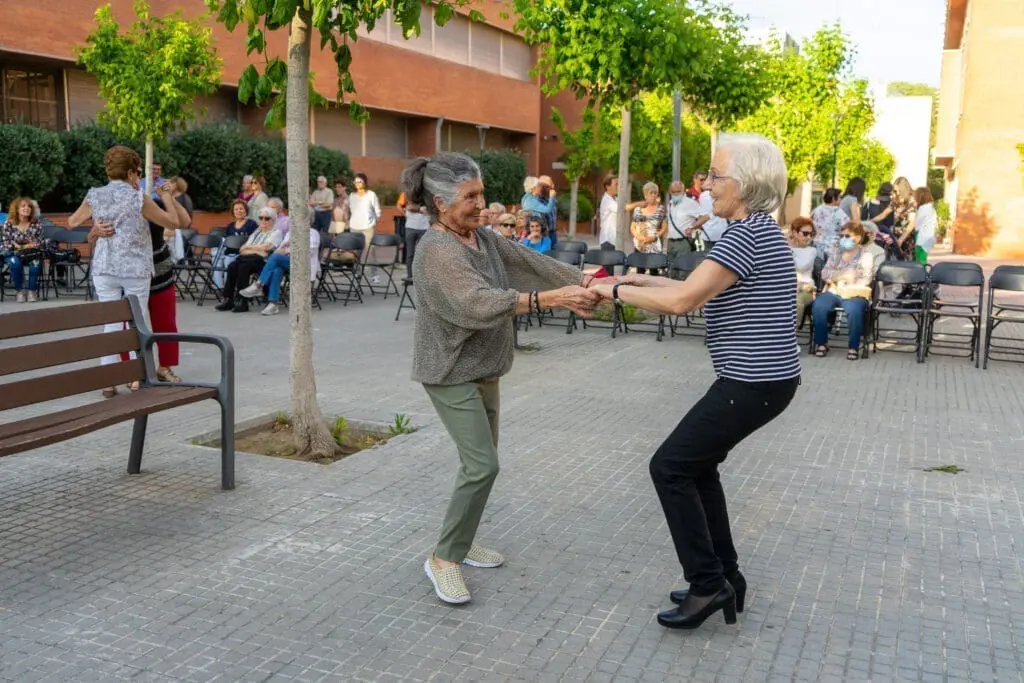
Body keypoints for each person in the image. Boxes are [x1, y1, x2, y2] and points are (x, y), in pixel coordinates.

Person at [591, 133, 800, 631]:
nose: (706, 185)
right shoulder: (752, 232)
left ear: (745, 184)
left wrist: (616, 289)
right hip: (761, 381)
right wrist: (636, 281)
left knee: (669, 468)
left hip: (753, 383)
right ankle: (725, 578)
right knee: (696, 467)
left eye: (716, 176)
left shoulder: (746, 236)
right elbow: (690, 287)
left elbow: (684, 302)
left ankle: (708, 584)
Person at [403, 152, 601, 605]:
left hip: (485, 368)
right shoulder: (436, 251)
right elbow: (478, 303)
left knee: (481, 464)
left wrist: (591, 281)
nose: (481, 203)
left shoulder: (482, 239)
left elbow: (531, 263)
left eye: (481, 193)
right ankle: (444, 559)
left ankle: (462, 538)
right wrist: (554, 299)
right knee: (482, 465)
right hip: (449, 371)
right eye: (470, 196)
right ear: (439, 202)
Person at [67, 145, 181, 398]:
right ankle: (134, 377)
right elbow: (172, 222)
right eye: (138, 172)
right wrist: (167, 200)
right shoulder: (138, 196)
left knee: (111, 323)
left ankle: (108, 380)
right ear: (130, 172)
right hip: (134, 267)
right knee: (135, 323)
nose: (138, 176)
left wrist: (96, 226)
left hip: (104, 267)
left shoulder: (94, 194)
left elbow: (73, 221)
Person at [110, 195, 192, 383]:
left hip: (159, 268)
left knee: (166, 321)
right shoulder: (115, 203)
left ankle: (165, 367)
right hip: (132, 270)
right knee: (129, 324)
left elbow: (185, 221)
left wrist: (169, 196)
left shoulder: (156, 201)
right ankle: (131, 371)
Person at [811, 222, 874, 360]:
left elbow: (866, 278)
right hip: (834, 290)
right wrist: (844, 275)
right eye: (841, 235)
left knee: (854, 309)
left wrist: (842, 277)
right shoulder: (836, 252)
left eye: (847, 236)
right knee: (819, 305)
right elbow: (825, 273)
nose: (843, 238)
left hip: (854, 293)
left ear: (858, 237)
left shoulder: (866, 255)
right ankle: (822, 343)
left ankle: (853, 346)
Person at [238, 226, 321, 316]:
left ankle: (259, 285)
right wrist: (284, 250)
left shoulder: (313, 233)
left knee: (276, 258)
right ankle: (273, 304)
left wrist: (288, 250)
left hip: (303, 265)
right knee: (276, 269)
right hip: (289, 263)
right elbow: (280, 249)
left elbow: (308, 251)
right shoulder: (291, 232)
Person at [216, 205, 283, 313]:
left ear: (273, 220)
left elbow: (267, 248)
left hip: (263, 262)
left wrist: (250, 248)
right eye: (261, 218)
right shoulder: (256, 232)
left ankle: (242, 302)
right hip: (247, 257)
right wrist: (256, 249)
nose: (263, 221)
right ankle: (228, 299)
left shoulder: (276, 232)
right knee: (232, 266)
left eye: (267, 218)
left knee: (243, 267)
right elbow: (242, 249)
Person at [1, 197, 44, 303]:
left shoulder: (36, 223)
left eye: (29, 206)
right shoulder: (9, 223)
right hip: (11, 252)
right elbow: (7, 243)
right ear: (16, 209)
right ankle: (19, 291)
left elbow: (37, 242)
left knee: (35, 263)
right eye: (23, 206)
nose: (27, 208)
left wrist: (19, 245)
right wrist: (23, 246)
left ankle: (31, 291)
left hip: (31, 253)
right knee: (14, 263)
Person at [214, 200, 258, 289]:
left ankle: (229, 287)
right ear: (233, 212)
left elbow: (255, 240)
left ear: (246, 210)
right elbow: (227, 241)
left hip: (242, 253)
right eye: (236, 209)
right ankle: (218, 286)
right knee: (216, 257)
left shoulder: (252, 224)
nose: (239, 211)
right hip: (229, 251)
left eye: (241, 209)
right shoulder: (230, 226)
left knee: (228, 260)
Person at [349, 172, 381, 283]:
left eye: (360, 181)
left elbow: (377, 211)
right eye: (356, 182)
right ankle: (357, 273)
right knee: (356, 252)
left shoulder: (371, 195)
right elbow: (351, 210)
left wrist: (373, 222)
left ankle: (374, 274)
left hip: (368, 227)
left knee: (370, 251)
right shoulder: (352, 196)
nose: (358, 184)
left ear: (365, 182)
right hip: (354, 227)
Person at [629, 182, 667, 274]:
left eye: (655, 193)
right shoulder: (637, 210)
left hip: (654, 245)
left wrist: (655, 236)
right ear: (645, 195)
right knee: (640, 272)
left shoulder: (661, 209)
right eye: (651, 193)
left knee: (654, 272)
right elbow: (633, 226)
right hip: (640, 245)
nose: (654, 195)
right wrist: (638, 237)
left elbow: (664, 226)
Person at [666, 180, 708, 261]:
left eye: (678, 191)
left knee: (683, 270)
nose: (675, 193)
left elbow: (705, 217)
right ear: (670, 192)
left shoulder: (690, 203)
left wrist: (692, 227)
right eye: (673, 191)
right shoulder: (670, 204)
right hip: (670, 243)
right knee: (671, 270)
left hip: (683, 242)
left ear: (683, 191)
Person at [788, 217, 817, 325]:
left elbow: (802, 266)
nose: (808, 237)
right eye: (805, 233)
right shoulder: (786, 248)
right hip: (787, 287)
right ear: (795, 232)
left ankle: (792, 334)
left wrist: (788, 250)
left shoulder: (811, 251)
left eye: (811, 234)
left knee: (796, 301)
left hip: (805, 289)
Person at [900, 187, 937, 266]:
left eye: (915, 196)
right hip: (928, 237)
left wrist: (901, 239)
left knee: (920, 261)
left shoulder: (923, 208)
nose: (914, 198)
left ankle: (921, 276)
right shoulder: (930, 207)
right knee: (922, 259)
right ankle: (922, 275)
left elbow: (913, 223)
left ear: (920, 196)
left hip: (922, 237)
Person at [810, 188, 846, 259]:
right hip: (833, 245)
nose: (840, 200)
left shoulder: (817, 209)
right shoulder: (838, 211)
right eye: (839, 197)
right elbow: (847, 226)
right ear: (833, 198)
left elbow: (810, 222)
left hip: (817, 243)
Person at [697, 174, 729, 248]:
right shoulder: (723, 194)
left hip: (707, 234)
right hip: (722, 233)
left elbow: (702, 215)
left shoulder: (702, 196)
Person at [891, 177, 916, 261]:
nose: (896, 193)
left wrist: (901, 239)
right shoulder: (897, 201)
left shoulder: (912, 202)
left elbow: (912, 223)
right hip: (895, 239)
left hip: (906, 240)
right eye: (894, 191)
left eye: (897, 191)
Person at [404, 198, 430, 267]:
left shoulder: (427, 194)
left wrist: (417, 209)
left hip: (424, 228)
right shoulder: (412, 194)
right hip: (410, 228)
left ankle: (421, 275)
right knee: (410, 254)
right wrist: (421, 210)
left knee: (423, 253)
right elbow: (410, 207)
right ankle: (410, 276)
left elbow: (430, 208)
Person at [598, 174, 619, 250]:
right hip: (608, 240)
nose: (618, 187)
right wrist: (638, 204)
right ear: (608, 186)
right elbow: (623, 208)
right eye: (616, 184)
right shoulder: (607, 200)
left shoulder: (616, 199)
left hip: (615, 240)